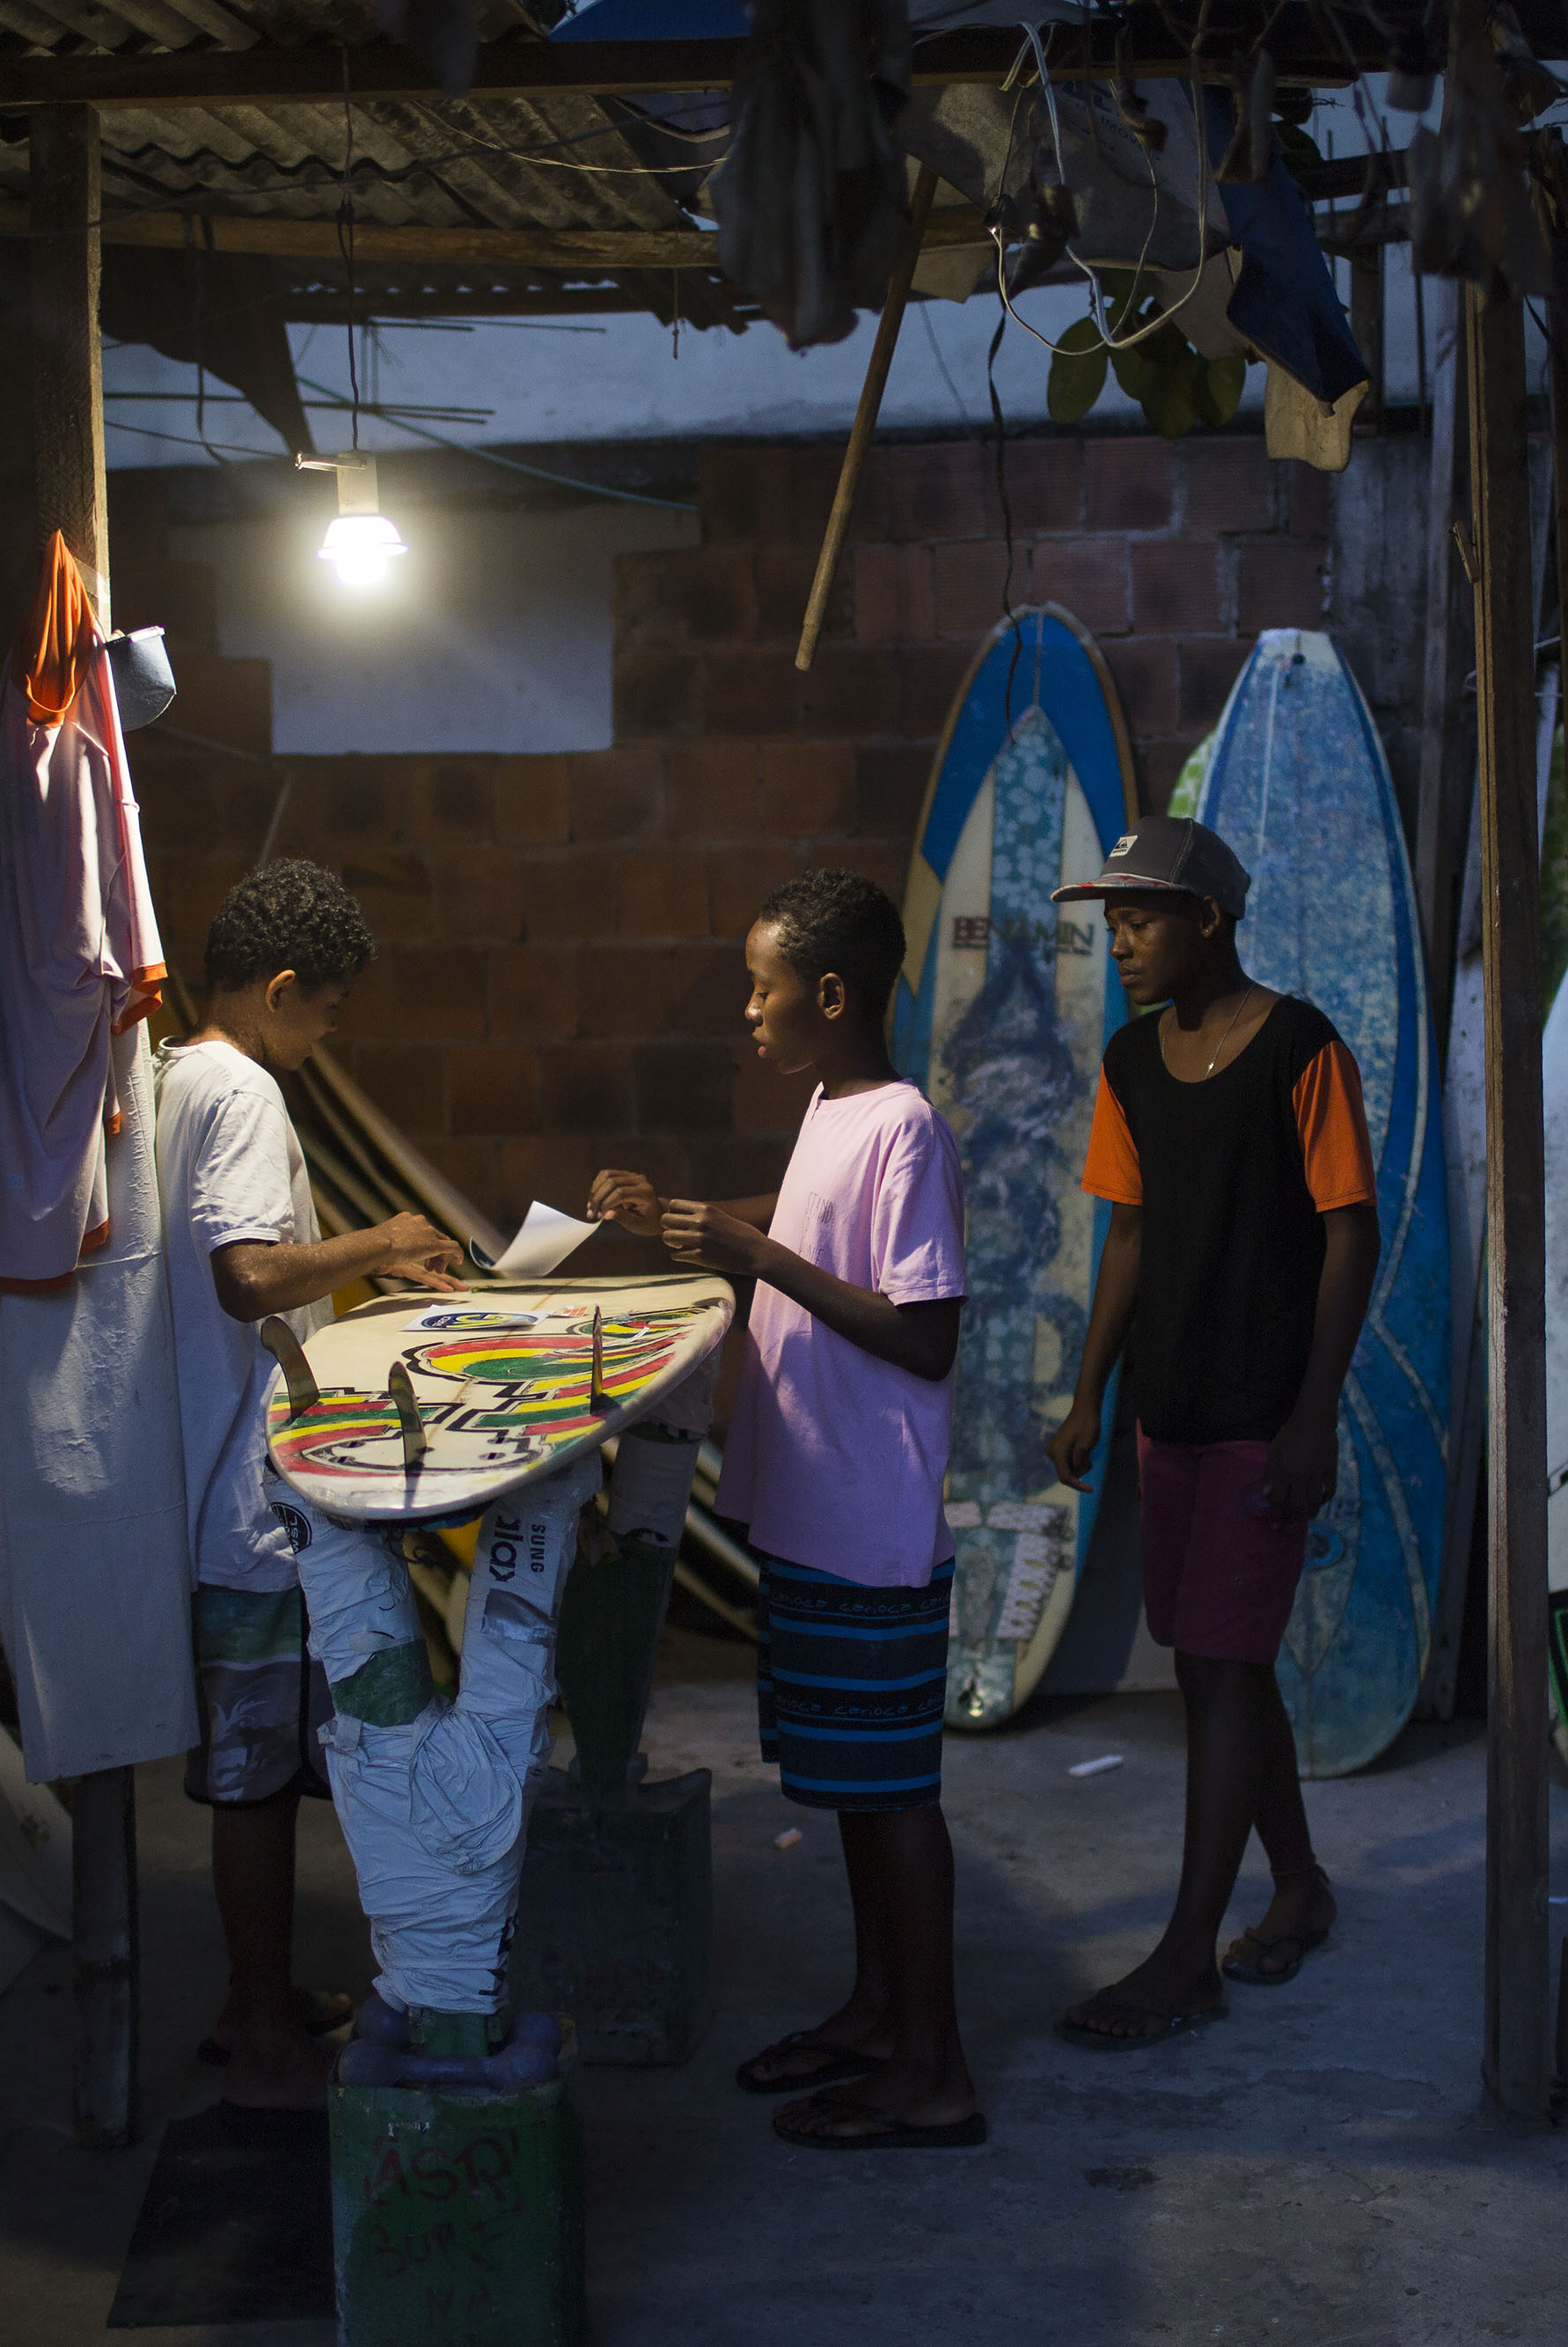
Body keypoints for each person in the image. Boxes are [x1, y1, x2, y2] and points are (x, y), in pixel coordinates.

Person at [589, 869, 980, 2151]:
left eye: (761, 986)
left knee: (897, 1795)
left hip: (872, 1521)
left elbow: (924, 1330)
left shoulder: (906, 1122)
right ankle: (877, 2008)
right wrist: (698, 1221)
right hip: (819, 1503)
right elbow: (812, 1225)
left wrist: (756, 1259)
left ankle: (934, 2067)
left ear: (829, 993)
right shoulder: (833, 1103)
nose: (746, 1009)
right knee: (856, 1793)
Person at [1042, 816, 1379, 2048]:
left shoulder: (1302, 1046)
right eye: (1112, 921)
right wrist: (1090, 1392)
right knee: (1208, 1660)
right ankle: (1298, 1886)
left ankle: (1188, 1952)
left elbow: (1351, 1228)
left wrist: (1315, 1410)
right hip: (1169, 1406)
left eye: (1140, 918)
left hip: (1260, 1412)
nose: (1120, 941)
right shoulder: (1131, 1061)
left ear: (1210, 920)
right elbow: (1125, 1233)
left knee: (1225, 1665)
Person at [159, 856, 469, 2104]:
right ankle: (261, 2021)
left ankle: (262, 1993)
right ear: (280, 988)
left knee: (265, 1767)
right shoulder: (240, 1088)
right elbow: (246, 1272)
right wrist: (383, 1240)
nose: (331, 1031)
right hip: (252, 1502)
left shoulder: (177, 1070)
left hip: (223, 1471)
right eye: (327, 1006)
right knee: (254, 1778)